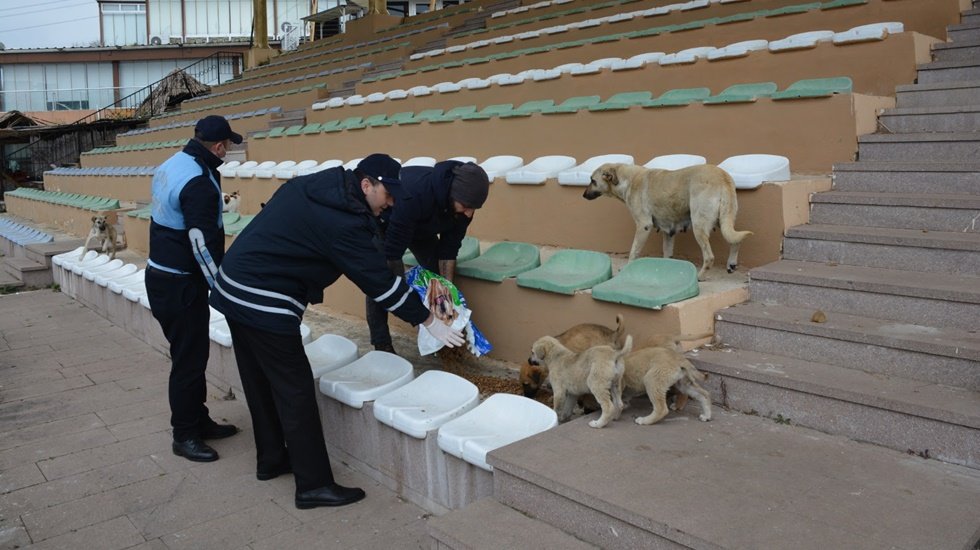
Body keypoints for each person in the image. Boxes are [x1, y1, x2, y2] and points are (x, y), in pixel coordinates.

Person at [208, 153, 465, 509]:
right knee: (294, 391)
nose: (389, 204)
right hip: (263, 299)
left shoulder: (318, 187)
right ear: (365, 185)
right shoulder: (342, 220)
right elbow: (379, 283)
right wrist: (429, 320)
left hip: (233, 286)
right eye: (386, 195)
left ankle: (271, 459)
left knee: (259, 379)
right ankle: (312, 485)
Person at [145, 115, 242, 463]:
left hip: (163, 276)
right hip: (180, 284)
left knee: (193, 355)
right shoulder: (199, 181)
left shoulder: (176, 161)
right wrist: (222, 290)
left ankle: (198, 420)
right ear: (218, 147)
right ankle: (184, 434)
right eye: (227, 146)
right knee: (187, 361)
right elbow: (201, 244)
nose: (228, 150)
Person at [366, 159, 491, 354]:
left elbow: (449, 249)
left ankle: (442, 337)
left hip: (422, 228)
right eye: (466, 206)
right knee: (382, 281)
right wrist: (408, 308)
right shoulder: (415, 194)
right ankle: (381, 343)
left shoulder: (464, 209)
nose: (469, 213)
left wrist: (447, 292)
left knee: (435, 277)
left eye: (474, 208)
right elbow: (392, 254)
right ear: (452, 194)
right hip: (388, 223)